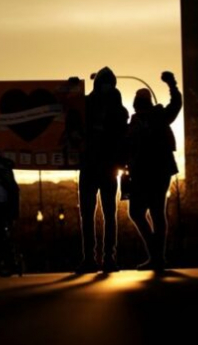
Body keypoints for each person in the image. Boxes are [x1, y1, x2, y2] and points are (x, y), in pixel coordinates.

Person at [126, 71, 182, 272]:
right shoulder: (143, 121)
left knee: (146, 212)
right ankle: (157, 255)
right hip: (153, 172)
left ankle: (156, 255)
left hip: (152, 172)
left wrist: (172, 85)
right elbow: (175, 105)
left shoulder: (156, 117)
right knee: (149, 212)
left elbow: (175, 105)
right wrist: (172, 85)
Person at [77, 67, 129, 273]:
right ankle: (105, 258)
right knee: (106, 214)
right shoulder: (117, 109)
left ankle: (94, 258)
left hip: (95, 166)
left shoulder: (88, 104)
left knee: (93, 214)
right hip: (105, 167)